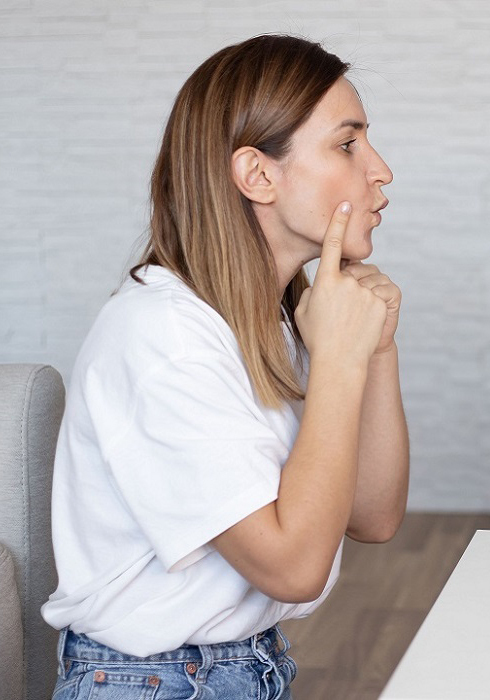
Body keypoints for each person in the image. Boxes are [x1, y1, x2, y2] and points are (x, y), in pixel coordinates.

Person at [43, 34, 408, 698]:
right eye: (348, 144)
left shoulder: (276, 318)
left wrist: (372, 347)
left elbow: (373, 517)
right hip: (150, 683)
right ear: (257, 175)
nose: (380, 170)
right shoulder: (162, 337)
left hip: (245, 667)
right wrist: (338, 364)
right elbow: (293, 570)